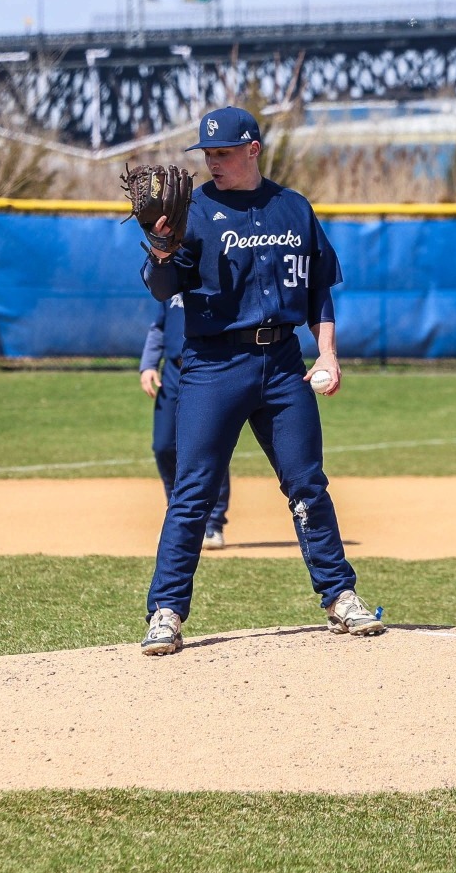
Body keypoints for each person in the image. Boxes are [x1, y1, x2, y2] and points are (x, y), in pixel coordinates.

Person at [136, 106, 383, 656]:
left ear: (253, 149)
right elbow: (160, 288)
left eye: (222, 153)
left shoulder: (293, 209)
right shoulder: (191, 211)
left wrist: (328, 354)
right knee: (192, 492)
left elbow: (320, 290)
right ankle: (167, 612)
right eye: (206, 155)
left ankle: (340, 596)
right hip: (212, 366)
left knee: (307, 485)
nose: (212, 163)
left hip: (281, 365)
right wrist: (161, 248)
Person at [139, 294, 231, 548]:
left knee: (209, 447)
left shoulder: (214, 275)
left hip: (209, 367)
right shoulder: (171, 279)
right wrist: (148, 365)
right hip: (173, 370)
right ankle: (178, 517)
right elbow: (160, 326)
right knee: (164, 445)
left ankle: (211, 524)